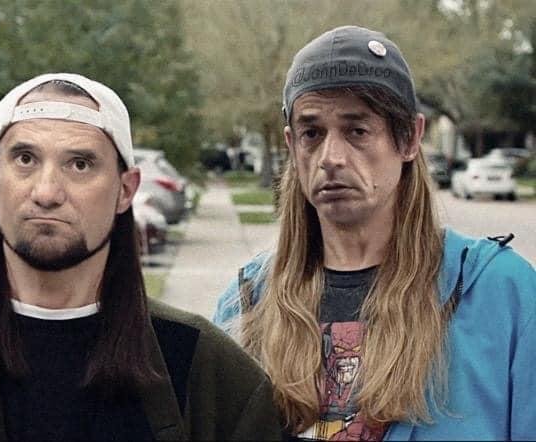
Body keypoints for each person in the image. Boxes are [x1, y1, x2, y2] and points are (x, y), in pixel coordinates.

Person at [0, 73, 282, 440]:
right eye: (25, 159)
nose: (47, 192)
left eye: (80, 164)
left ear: (125, 189)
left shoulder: (210, 375)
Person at [214, 26, 536, 441]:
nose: (330, 157)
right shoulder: (248, 302)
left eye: (357, 131)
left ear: (410, 139)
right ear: (292, 145)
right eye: (312, 133)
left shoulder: (502, 295)